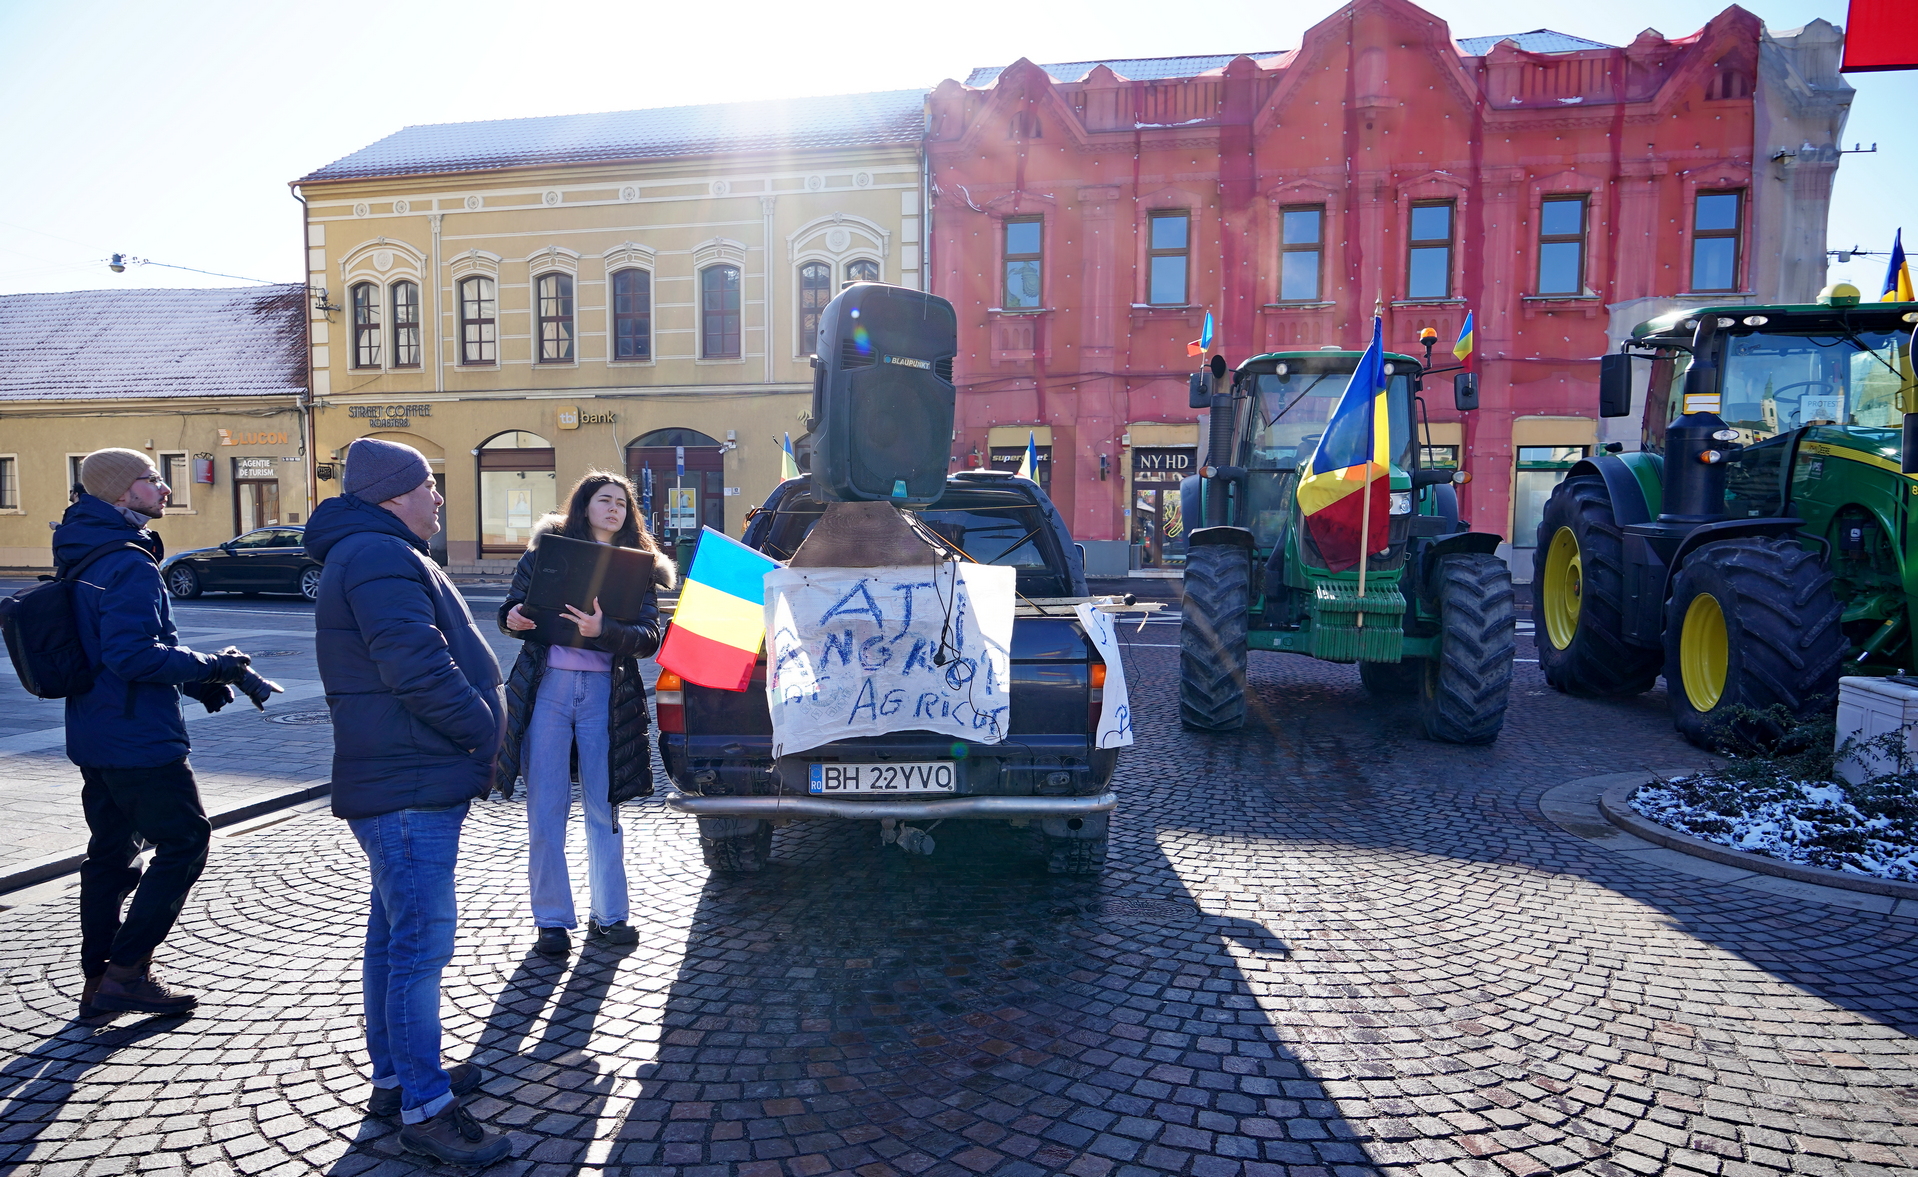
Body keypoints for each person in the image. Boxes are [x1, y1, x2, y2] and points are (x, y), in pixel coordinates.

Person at [303, 438, 511, 1166]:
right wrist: (485, 729)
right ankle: (426, 1107)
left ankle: (398, 1076)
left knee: (393, 938)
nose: (439, 497)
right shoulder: (380, 554)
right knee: (421, 945)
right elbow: (417, 668)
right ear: (396, 492)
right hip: (409, 780)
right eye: (431, 484)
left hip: (402, 777)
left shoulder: (370, 549)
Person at [55, 448, 272, 1020]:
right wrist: (213, 667)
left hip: (96, 731)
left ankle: (97, 979)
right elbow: (131, 655)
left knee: (110, 856)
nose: (163, 487)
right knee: (184, 842)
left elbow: (108, 651)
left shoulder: (82, 547)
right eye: (150, 479)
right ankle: (127, 972)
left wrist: (193, 682)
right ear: (118, 493)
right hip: (137, 739)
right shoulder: (127, 562)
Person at [496, 471, 673, 959]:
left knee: (604, 807)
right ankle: (551, 921)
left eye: (622, 502)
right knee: (546, 807)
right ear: (584, 506)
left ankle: (610, 916)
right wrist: (511, 618)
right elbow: (514, 610)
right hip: (546, 689)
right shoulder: (545, 554)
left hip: (606, 695)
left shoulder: (639, 567)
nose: (614, 508)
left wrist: (605, 629)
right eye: (604, 500)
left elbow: (648, 638)